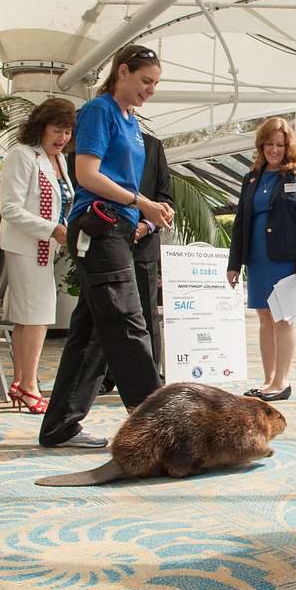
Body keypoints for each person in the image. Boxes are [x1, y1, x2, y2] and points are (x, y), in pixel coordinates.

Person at [39, 44, 173, 449]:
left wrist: (148, 211)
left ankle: (60, 426)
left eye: (155, 84)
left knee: (94, 331)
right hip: (100, 228)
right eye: (145, 81)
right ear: (122, 71)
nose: (150, 90)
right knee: (129, 324)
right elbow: (87, 175)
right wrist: (141, 202)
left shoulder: (131, 120)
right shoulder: (100, 111)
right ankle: (163, 428)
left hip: (119, 229)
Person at [227, 117, 296, 402]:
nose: (274, 150)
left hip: (286, 258)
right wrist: (234, 263)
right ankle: (268, 381)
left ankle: (282, 382)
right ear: (261, 145)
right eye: (269, 144)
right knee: (264, 317)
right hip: (257, 257)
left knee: (283, 318)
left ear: (288, 145)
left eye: (279, 145)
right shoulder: (252, 177)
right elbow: (241, 220)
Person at [0, 98, 76, 414]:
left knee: (30, 318)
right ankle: (29, 386)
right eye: (57, 129)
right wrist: (53, 230)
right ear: (40, 127)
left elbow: (63, 204)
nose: (62, 137)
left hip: (46, 247)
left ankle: (21, 382)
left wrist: (62, 230)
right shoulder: (22, 155)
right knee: (38, 317)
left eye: (68, 131)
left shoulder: (58, 160)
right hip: (25, 246)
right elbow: (10, 208)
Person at [86, 130, 173, 396]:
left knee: (146, 315)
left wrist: (146, 226)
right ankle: (104, 378)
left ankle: (150, 383)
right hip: (108, 240)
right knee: (106, 314)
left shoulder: (153, 145)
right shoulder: (99, 143)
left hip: (143, 245)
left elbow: (166, 199)